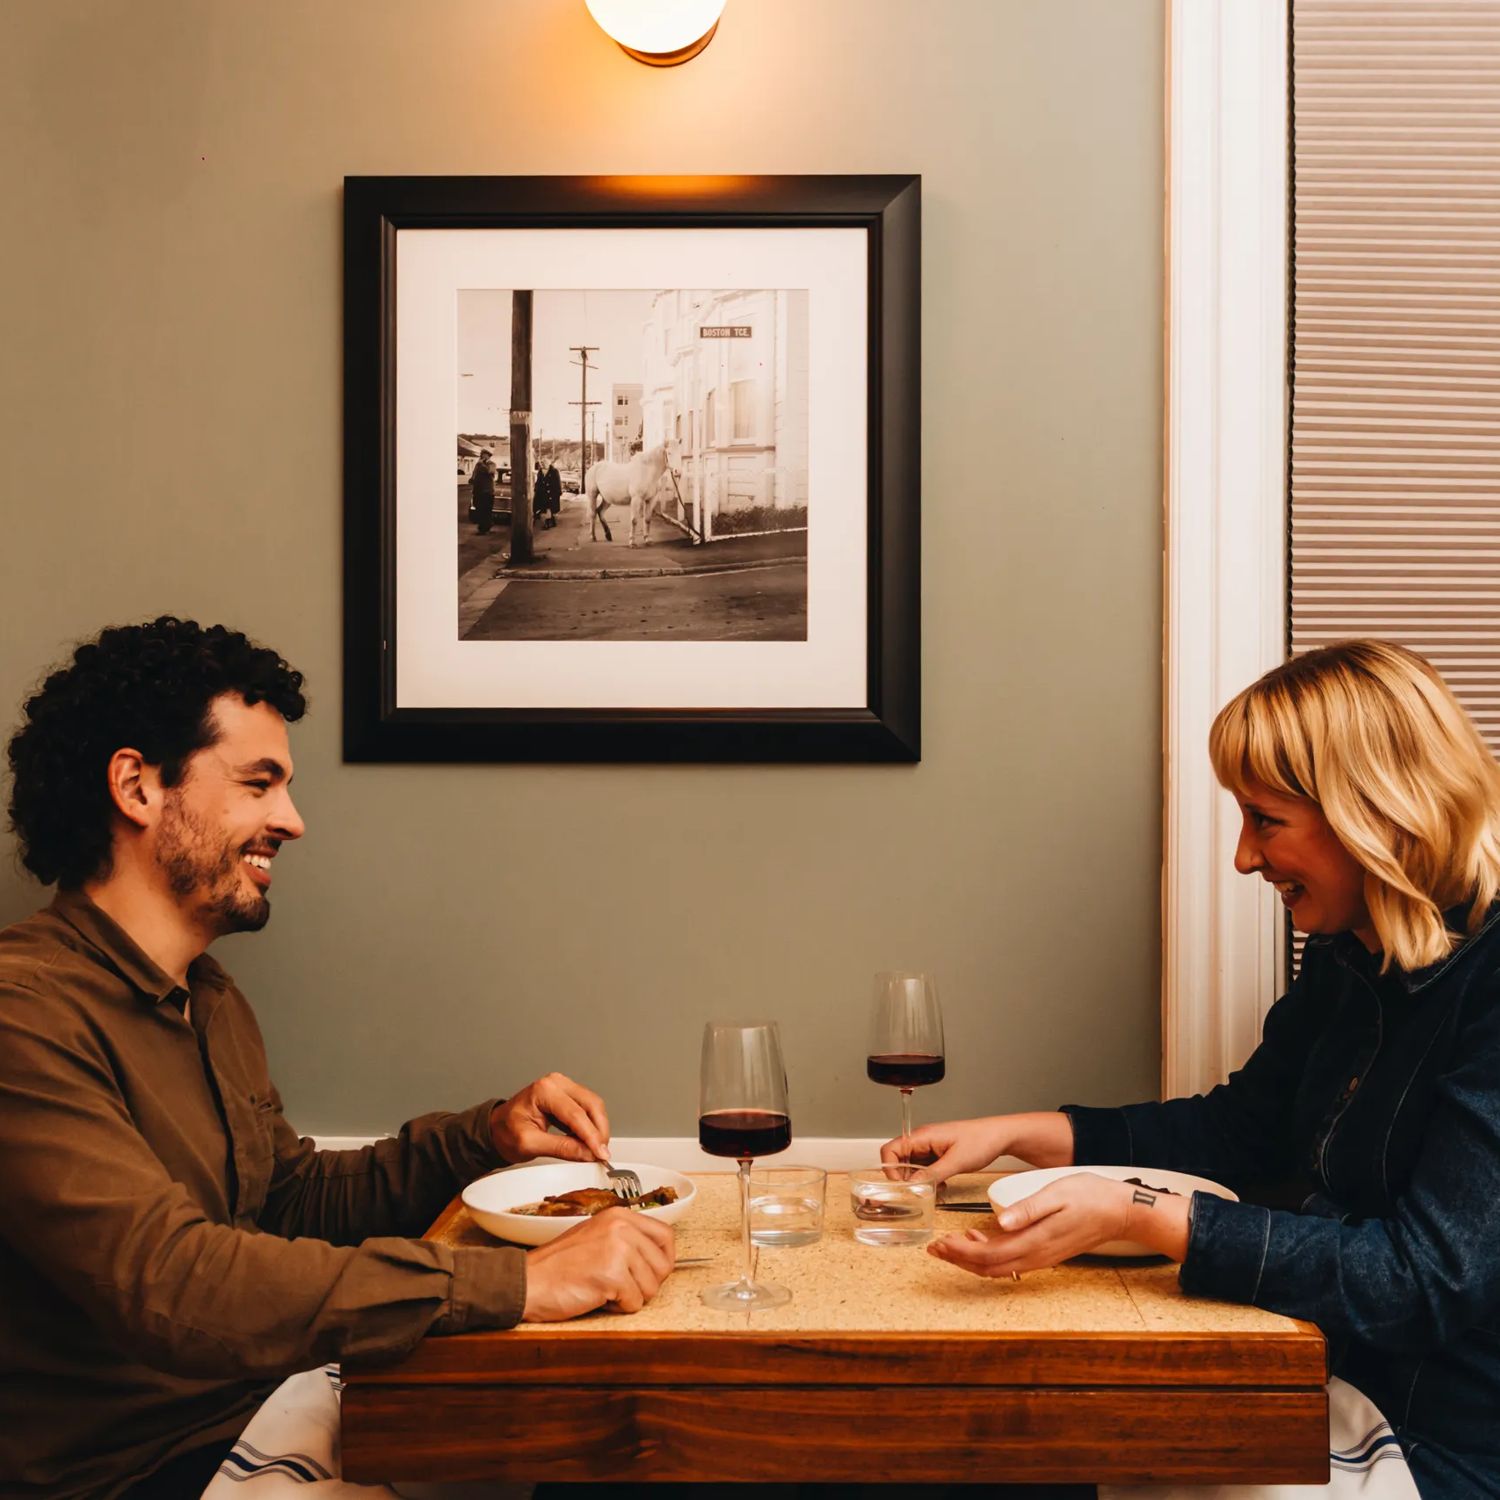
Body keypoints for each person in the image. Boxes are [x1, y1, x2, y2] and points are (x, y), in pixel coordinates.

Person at [0, 617, 674, 1499]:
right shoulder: (24, 1012)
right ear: (137, 785)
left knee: (615, 1459)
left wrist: (486, 1138)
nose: (293, 820)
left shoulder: (210, 1000)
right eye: (258, 783)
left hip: (265, 1415)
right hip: (140, 1473)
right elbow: (173, 1281)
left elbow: (288, 1204)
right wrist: (516, 1282)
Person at [889, 641, 1500, 1499]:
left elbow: (1425, 1279)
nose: (1246, 859)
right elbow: (1239, 1131)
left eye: (1267, 821)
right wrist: (1028, 1133)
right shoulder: (1350, 954)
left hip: (1441, 1447)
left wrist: (1142, 1213)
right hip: (1316, 1379)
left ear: (1376, 811)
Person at [471, 449, 497, 534]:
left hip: (487, 491)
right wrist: (472, 479)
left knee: (486, 510)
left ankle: (485, 528)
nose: (482, 456)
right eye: (482, 454)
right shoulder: (478, 465)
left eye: (484, 454)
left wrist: (481, 464)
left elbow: (490, 471)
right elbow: (474, 474)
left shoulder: (492, 464)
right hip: (478, 490)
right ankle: (482, 527)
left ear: (488, 456)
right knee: (479, 509)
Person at [544, 462, 562, 528]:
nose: (543, 464)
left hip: (553, 492)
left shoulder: (554, 471)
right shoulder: (542, 472)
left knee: (551, 507)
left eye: (544, 462)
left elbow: (557, 482)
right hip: (546, 492)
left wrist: (559, 491)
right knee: (548, 507)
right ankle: (549, 521)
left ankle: (550, 521)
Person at [532, 462, 547, 528]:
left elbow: (539, 483)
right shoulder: (540, 473)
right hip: (540, 492)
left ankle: (538, 520)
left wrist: (536, 488)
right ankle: (537, 518)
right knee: (538, 507)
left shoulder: (540, 473)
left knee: (536, 506)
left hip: (539, 493)